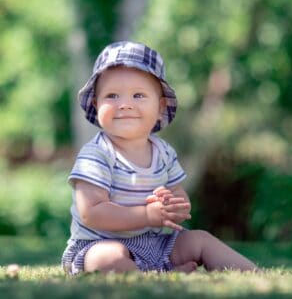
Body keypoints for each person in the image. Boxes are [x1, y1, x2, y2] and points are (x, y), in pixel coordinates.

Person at [61, 41, 257, 275]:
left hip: (155, 245)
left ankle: (254, 274)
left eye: (138, 95)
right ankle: (154, 275)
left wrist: (173, 207)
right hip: (100, 243)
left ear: (160, 106)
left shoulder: (163, 152)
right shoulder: (96, 154)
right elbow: (90, 212)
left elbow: (179, 194)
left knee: (200, 240)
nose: (125, 105)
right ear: (96, 103)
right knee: (106, 258)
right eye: (112, 95)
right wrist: (147, 215)